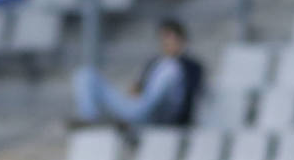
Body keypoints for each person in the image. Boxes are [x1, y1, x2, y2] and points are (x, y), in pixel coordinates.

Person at [71, 18, 202, 128]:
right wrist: (137, 89)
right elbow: (140, 87)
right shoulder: (155, 63)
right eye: (164, 38)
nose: (167, 43)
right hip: (143, 108)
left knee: (170, 68)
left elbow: (189, 96)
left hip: (164, 114)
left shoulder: (189, 66)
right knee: (85, 74)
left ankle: (129, 117)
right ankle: (90, 116)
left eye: (171, 39)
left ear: (181, 41)